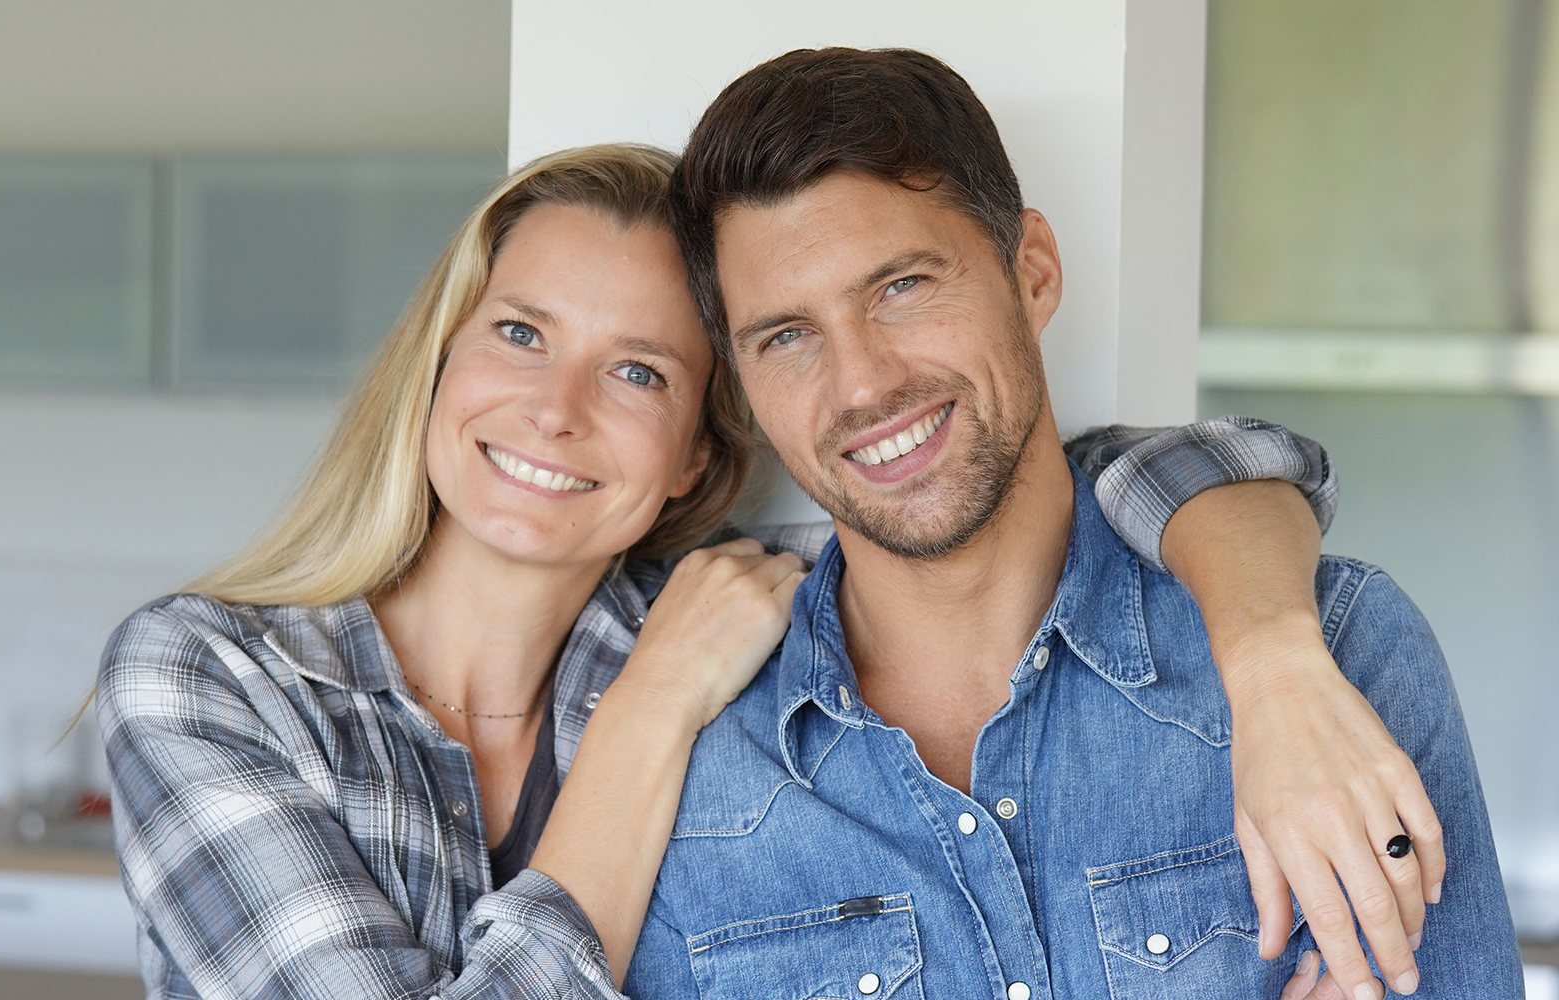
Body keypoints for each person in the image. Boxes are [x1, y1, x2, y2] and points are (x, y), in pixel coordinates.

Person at [100, 146, 1403, 1000]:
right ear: (441, 361)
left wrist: (1274, 656)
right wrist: (653, 708)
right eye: (519, 333)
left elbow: (1149, 473)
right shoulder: (209, 675)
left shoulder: (744, 613)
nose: (556, 412)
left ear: (689, 455)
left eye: (637, 372)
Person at [625, 48, 1523, 1000]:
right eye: (787, 336)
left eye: (902, 287)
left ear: (1034, 271)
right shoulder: (690, 769)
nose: (864, 385)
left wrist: (1271, 657)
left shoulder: (1338, 654)